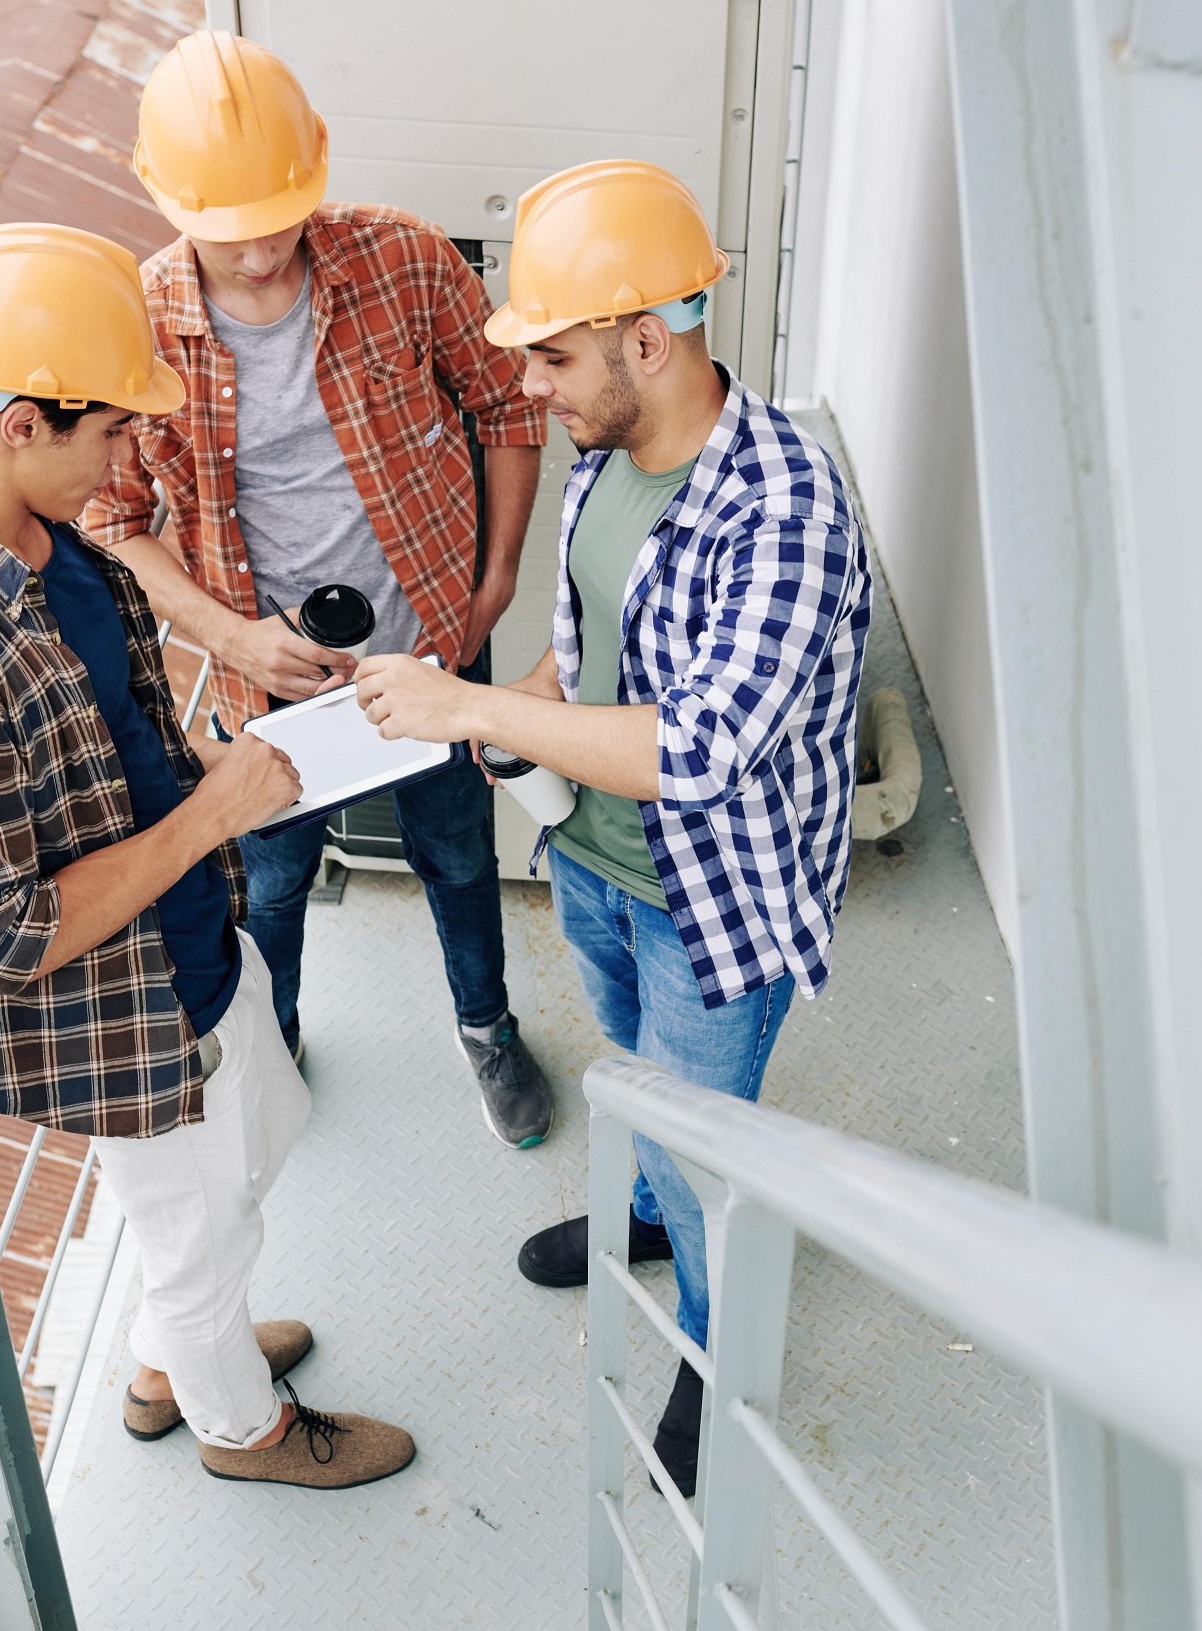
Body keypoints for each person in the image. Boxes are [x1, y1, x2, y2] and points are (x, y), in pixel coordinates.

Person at [0, 223, 414, 1489]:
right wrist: (213, 820)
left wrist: (209, 776)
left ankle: (172, 1348)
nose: (130, 451)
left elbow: (107, 740)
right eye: (109, 428)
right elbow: (3, 937)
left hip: (194, 939)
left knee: (257, 1134)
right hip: (121, 1015)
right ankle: (239, 1425)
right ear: (19, 423)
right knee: (199, 1226)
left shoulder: (47, 537)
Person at [353, 161, 872, 1494]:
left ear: (647, 340)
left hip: (710, 903)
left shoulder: (785, 509)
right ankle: (640, 1214)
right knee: (629, 1067)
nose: (527, 388)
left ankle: (710, 1347)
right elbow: (588, 661)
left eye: (551, 357)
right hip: (588, 857)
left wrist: (470, 697)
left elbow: (694, 747)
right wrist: (514, 706)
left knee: (706, 1152)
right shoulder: (608, 454)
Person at [81, 32, 555, 1149]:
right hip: (268, 686)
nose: (255, 257)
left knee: (453, 850)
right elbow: (113, 520)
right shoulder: (136, 322)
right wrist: (233, 641)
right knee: (273, 882)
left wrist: (493, 582)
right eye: (225, 230)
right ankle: (270, 1051)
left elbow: (505, 405)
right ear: (161, 196)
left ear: (319, 169)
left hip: (435, 647)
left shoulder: (405, 259)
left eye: (278, 219)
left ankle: (485, 1025)